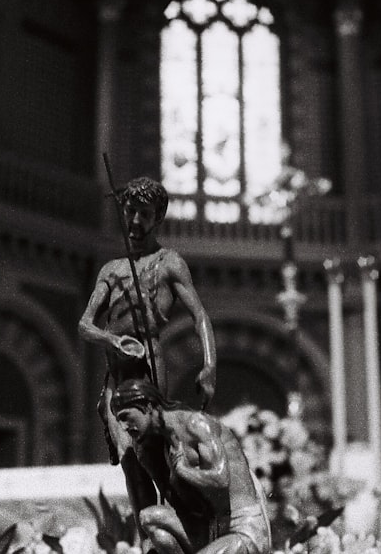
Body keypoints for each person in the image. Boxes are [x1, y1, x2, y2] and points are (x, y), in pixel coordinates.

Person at [77, 176, 216, 518]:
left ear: (158, 217)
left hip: (148, 368)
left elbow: (199, 315)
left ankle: (183, 523)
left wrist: (210, 365)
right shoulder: (112, 270)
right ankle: (148, 538)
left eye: (144, 213)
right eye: (129, 211)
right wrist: (110, 339)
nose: (135, 221)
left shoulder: (169, 263)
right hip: (116, 374)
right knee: (128, 458)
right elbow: (84, 325)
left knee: (150, 455)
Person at [110, 378, 271, 554]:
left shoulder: (195, 425)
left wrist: (182, 470)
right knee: (150, 518)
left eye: (126, 417)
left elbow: (220, 479)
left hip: (242, 529)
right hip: (210, 530)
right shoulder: (160, 445)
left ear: (147, 407)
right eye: (119, 421)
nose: (124, 427)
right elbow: (184, 507)